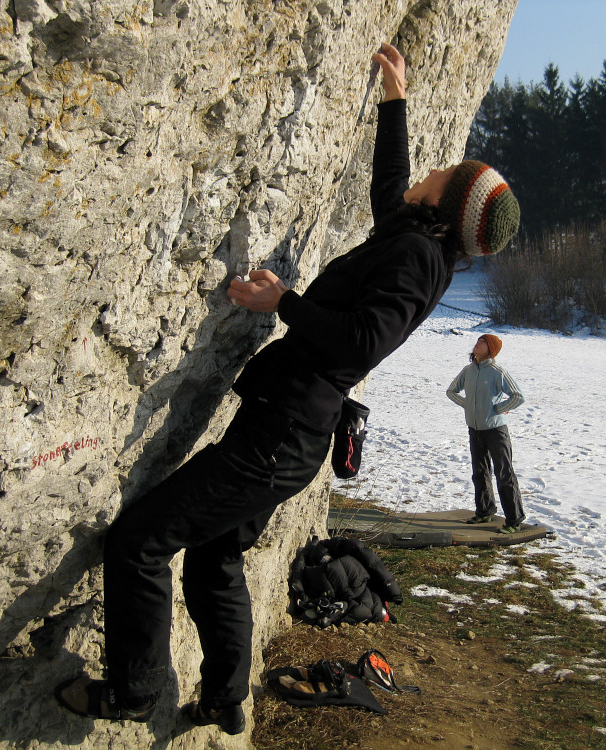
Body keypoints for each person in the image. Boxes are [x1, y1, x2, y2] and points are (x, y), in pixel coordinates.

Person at [55, 42, 520, 735]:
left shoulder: (420, 262)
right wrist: (395, 102)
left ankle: (132, 693)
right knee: (213, 554)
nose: (439, 163)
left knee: (140, 542)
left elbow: (364, 340)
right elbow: (391, 193)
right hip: (288, 432)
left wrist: (284, 302)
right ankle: (223, 700)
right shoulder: (419, 238)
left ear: (449, 201)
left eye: (449, 171)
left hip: (282, 436)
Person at [446, 334, 526, 532]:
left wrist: (498, 408)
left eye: (482, 342)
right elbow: (451, 391)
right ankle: (484, 512)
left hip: (496, 430)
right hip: (475, 429)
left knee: (504, 473)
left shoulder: (497, 372)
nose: (477, 343)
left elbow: (518, 396)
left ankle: (514, 520)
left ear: (490, 348)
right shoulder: (468, 371)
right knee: (480, 472)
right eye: (478, 340)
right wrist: (467, 406)